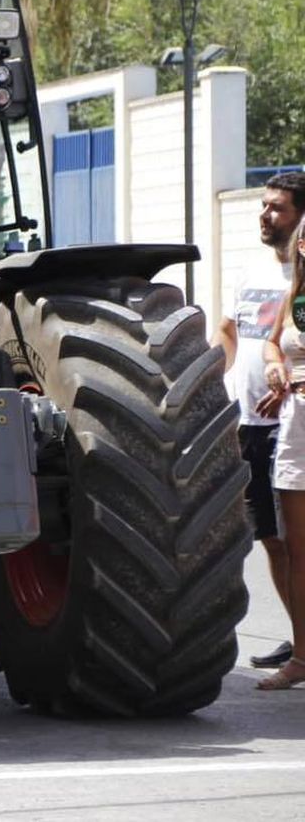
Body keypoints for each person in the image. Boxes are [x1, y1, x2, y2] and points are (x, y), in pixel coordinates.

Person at [216, 171, 305, 669]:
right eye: (265, 205)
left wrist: (288, 383)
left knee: (297, 542)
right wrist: (206, 379)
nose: (265, 215)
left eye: (278, 208)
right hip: (248, 423)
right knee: (271, 540)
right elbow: (230, 333)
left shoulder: (300, 276)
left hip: (288, 424)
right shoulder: (252, 272)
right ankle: (299, 639)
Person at [259, 219, 305, 689]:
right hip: (296, 431)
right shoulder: (296, 295)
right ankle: (302, 659)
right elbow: (273, 344)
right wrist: (275, 366)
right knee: (297, 551)